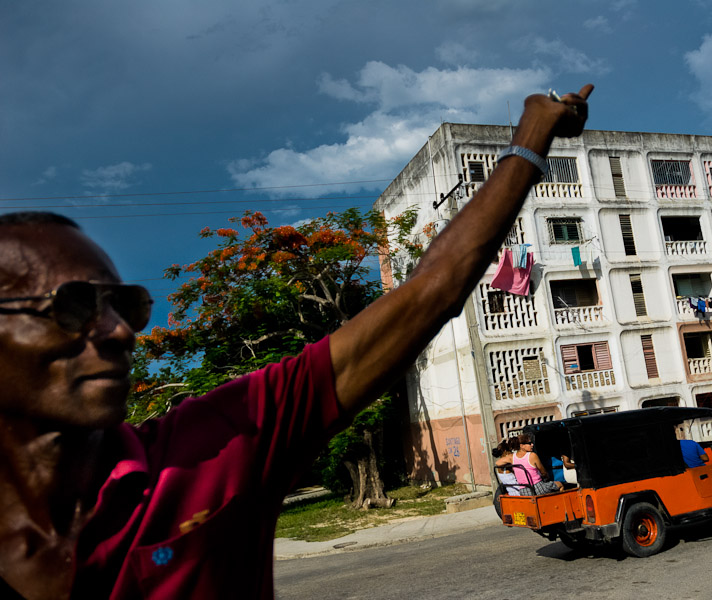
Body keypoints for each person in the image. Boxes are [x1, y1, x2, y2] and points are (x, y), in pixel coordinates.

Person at [0, 83, 593, 599]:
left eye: (126, 306)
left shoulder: (217, 446)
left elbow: (431, 289)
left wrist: (529, 140)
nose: (119, 331)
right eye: (74, 306)